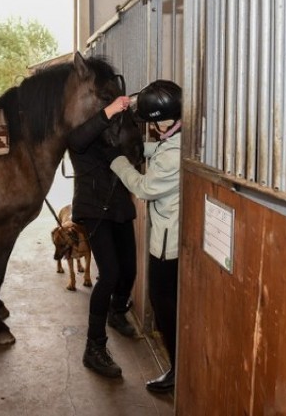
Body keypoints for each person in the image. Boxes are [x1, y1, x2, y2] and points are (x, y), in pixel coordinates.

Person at [104, 80, 181, 394]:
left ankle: (177, 370)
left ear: (163, 121)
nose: (151, 130)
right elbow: (158, 149)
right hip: (169, 238)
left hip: (168, 245)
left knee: (163, 305)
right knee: (164, 303)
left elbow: (145, 188)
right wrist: (133, 147)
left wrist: (118, 161)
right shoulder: (176, 140)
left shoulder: (172, 156)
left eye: (152, 124)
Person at [68, 94, 138, 379]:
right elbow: (76, 141)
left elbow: (134, 151)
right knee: (108, 274)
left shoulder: (116, 128)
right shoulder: (81, 130)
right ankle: (94, 347)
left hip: (120, 204)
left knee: (129, 270)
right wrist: (109, 111)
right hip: (94, 208)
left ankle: (117, 310)